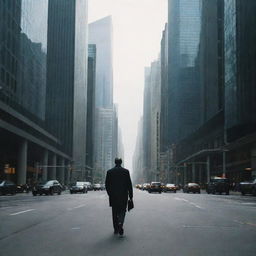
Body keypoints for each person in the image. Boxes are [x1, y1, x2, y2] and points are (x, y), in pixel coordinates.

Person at [105, 158, 133, 236]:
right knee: (122, 211)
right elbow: (129, 185)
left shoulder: (109, 172)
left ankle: (116, 229)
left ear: (115, 162)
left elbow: (107, 185)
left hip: (113, 196)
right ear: (121, 162)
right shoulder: (126, 172)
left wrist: (110, 194)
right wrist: (131, 196)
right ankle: (121, 223)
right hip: (123, 196)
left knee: (114, 212)